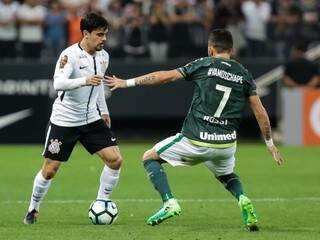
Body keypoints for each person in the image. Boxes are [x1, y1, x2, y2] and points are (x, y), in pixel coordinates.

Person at [106, 29, 283, 231]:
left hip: (196, 139)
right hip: (226, 143)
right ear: (231, 50)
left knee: (149, 157)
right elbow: (260, 112)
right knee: (226, 174)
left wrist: (126, 82)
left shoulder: (204, 64)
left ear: (210, 49)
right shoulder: (244, 74)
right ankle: (243, 198)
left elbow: (165, 77)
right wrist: (269, 143)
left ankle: (169, 202)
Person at [23, 12, 122, 224]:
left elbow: (98, 86)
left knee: (115, 160)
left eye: (105, 34)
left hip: (91, 118)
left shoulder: (104, 56)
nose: (104, 39)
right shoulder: (69, 55)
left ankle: (102, 202)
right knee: (50, 170)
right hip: (65, 120)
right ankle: (33, 208)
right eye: (99, 34)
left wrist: (104, 111)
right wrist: (84, 80)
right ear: (86, 34)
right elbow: (58, 83)